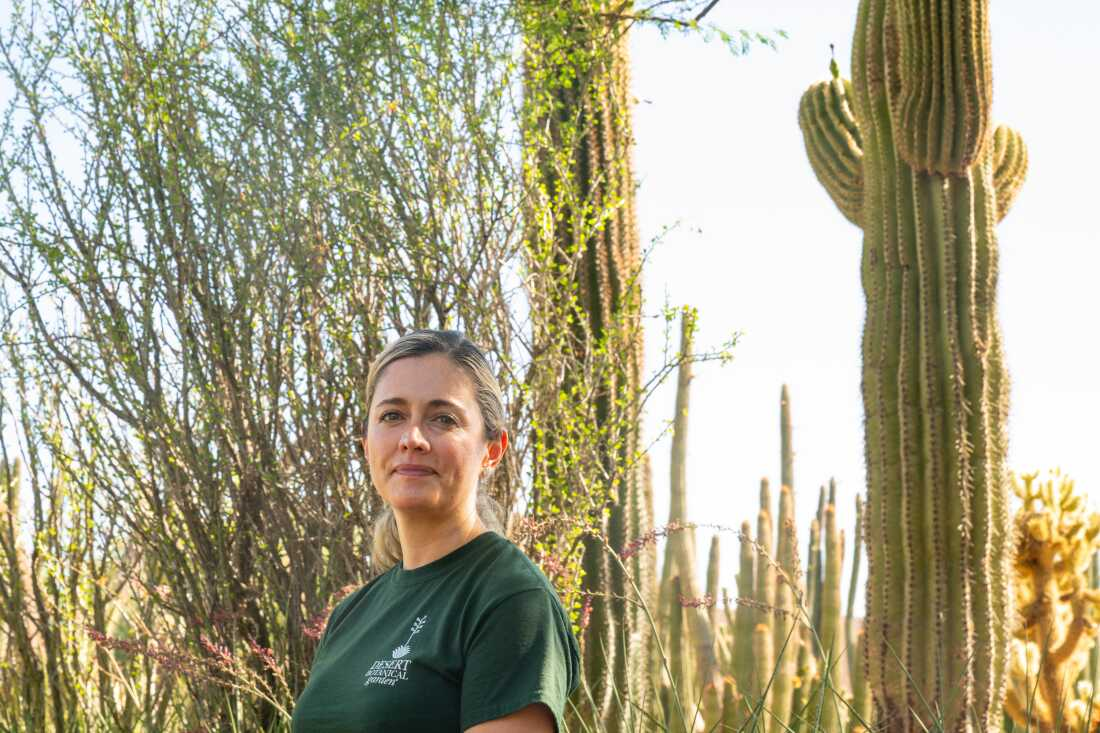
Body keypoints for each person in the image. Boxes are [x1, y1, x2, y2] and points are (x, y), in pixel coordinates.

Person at [291, 330, 581, 732]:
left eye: (443, 419)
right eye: (392, 415)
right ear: (366, 444)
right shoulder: (350, 615)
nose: (412, 439)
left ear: (492, 450)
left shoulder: (511, 599)